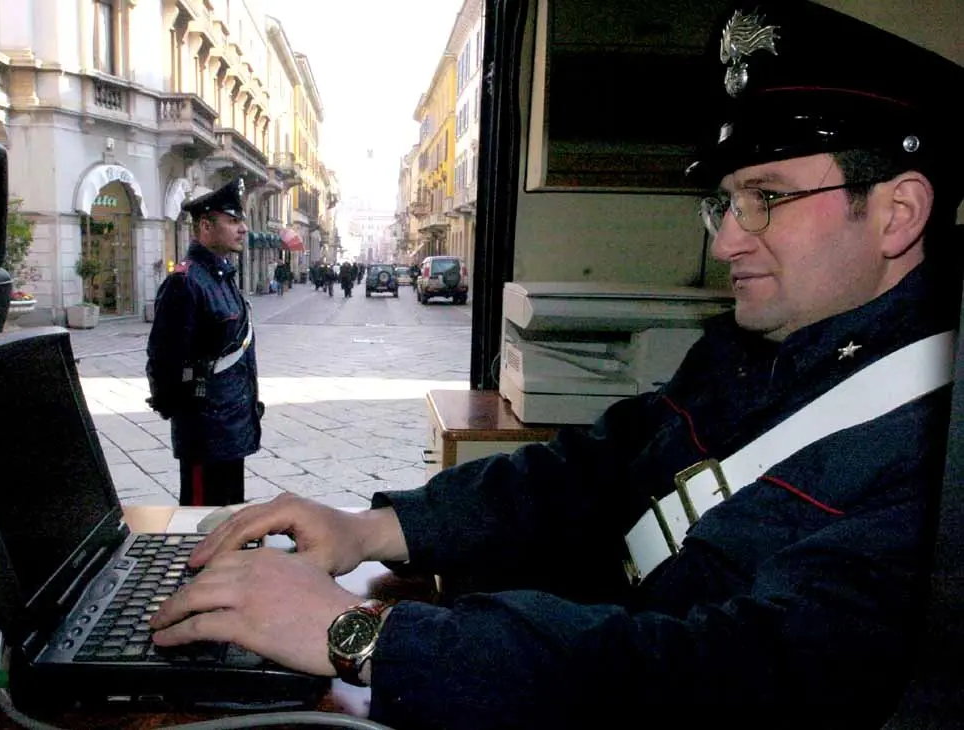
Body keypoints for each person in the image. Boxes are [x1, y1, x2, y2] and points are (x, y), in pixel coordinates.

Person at [149, 3, 964, 727]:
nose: (725, 240)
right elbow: (593, 472)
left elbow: (726, 676)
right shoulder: (755, 349)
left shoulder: (932, 453)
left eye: (768, 199)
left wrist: (360, 634)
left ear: (897, 214)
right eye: (727, 202)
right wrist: (373, 529)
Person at [145, 178, 262, 506]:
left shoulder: (222, 278)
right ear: (206, 227)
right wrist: (186, 414)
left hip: (231, 424)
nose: (242, 229)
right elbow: (163, 357)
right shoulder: (186, 281)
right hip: (206, 430)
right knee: (199, 524)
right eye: (233, 220)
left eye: (242, 221)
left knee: (227, 517)